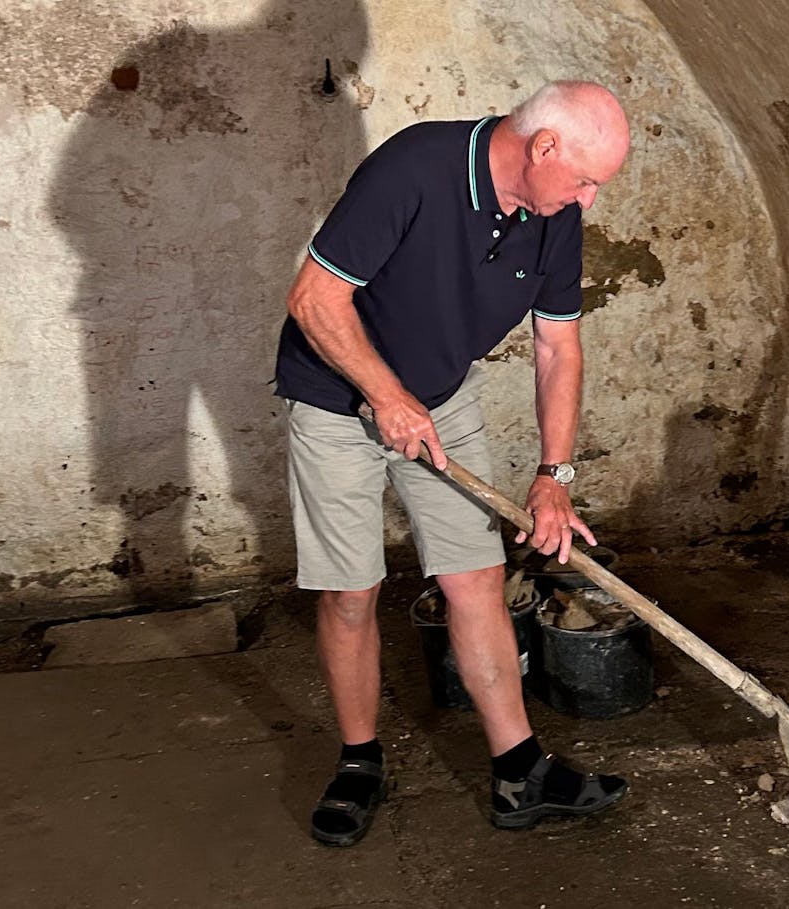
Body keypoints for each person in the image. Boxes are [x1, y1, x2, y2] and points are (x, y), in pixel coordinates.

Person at [273, 81, 632, 847]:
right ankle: (360, 761)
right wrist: (385, 394)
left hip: (442, 395)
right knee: (351, 591)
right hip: (337, 398)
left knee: (475, 577)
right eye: (585, 179)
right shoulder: (415, 168)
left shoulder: (553, 213)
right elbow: (314, 298)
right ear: (543, 148)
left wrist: (553, 476)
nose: (589, 200)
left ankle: (518, 771)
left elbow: (556, 346)